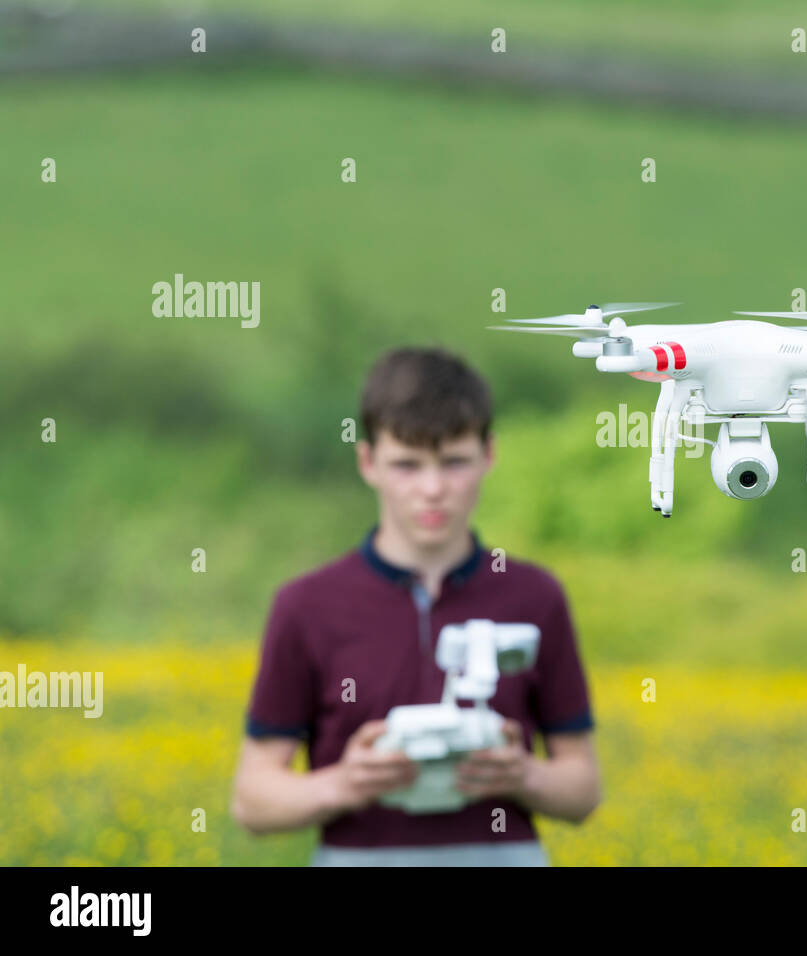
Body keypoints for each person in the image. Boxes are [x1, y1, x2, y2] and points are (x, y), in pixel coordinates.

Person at [231, 346, 601, 865]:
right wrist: (345, 784)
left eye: (454, 462)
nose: (433, 490)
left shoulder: (535, 595)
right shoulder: (307, 605)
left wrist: (523, 775)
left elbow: (582, 790)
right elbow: (252, 799)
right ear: (368, 462)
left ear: (489, 455)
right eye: (407, 465)